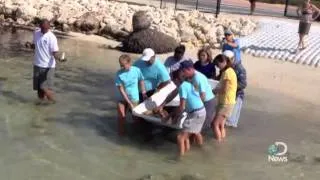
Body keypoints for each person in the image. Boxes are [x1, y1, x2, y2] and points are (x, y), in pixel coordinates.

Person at [173, 67, 206, 156]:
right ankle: (198, 150)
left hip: (195, 113)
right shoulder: (188, 84)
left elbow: (182, 106)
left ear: (176, 80)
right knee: (190, 134)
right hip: (202, 110)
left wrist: (175, 117)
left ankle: (180, 158)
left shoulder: (182, 87)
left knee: (180, 137)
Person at [31, 19, 61, 104]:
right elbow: (34, 45)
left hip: (48, 66)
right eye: (42, 28)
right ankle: (40, 103)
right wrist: (30, 45)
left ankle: (54, 103)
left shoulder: (52, 37)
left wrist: (59, 58)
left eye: (45, 28)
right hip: (37, 64)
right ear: (40, 27)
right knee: (39, 88)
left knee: (44, 87)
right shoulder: (36, 33)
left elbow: (54, 52)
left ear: (49, 27)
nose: (43, 30)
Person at [115, 54, 146, 136]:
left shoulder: (136, 70)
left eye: (124, 65)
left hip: (134, 98)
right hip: (122, 98)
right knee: (121, 117)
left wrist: (143, 92)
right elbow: (121, 89)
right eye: (121, 65)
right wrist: (128, 103)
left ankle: (136, 136)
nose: (122, 67)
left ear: (129, 63)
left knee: (136, 118)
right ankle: (121, 136)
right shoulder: (119, 74)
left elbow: (142, 80)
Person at [180, 60, 215, 131]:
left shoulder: (197, 78)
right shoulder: (190, 77)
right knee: (196, 128)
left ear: (190, 69)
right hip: (202, 102)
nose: (183, 73)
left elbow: (203, 95)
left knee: (201, 127)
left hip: (208, 102)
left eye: (184, 71)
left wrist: (197, 108)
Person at [212, 54, 237, 142]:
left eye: (218, 64)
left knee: (214, 124)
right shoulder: (229, 71)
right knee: (221, 125)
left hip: (226, 102)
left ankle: (218, 144)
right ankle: (222, 141)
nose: (218, 67)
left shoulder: (227, 72)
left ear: (224, 62)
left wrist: (214, 91)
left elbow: (224, 89)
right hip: (228, 101)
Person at [223, 50, 247, 128]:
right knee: (224, 119)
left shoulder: (240, 68)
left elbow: (243, 84)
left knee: (231, 121)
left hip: (237, 95)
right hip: (227, 96)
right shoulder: (225, 67)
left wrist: (231, 87)